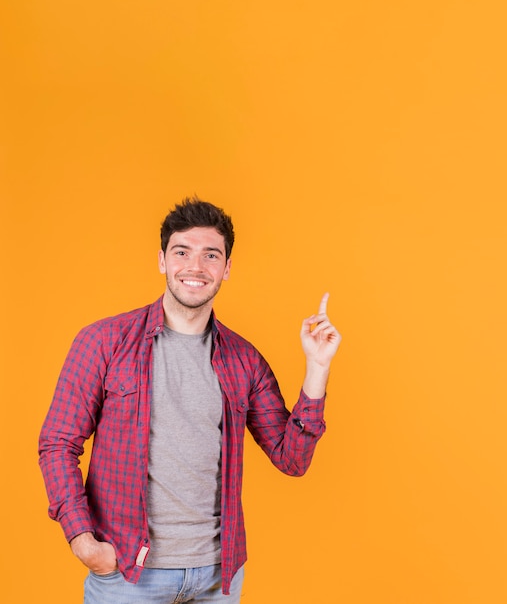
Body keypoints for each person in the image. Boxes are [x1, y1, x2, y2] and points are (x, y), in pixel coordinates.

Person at [39, 197, 341, 603]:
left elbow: (292, 459)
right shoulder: (103, 342)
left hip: (218, 578)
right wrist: (83, 540)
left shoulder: (244, 359)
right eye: (182, 252)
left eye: (210, 255)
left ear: (227, 268)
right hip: (128, 575)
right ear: (163, 260)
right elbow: (58, 443)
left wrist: (317, 367)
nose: (196, 267)